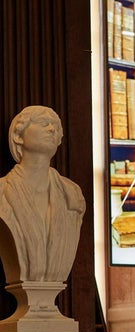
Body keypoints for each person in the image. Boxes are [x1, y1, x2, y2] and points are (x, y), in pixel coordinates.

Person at [0, 105, 86, 282]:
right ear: (18, 136)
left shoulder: (72, 194)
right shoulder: (2, 190)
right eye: (43, 122)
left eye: (55, 125)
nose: (52, 128)